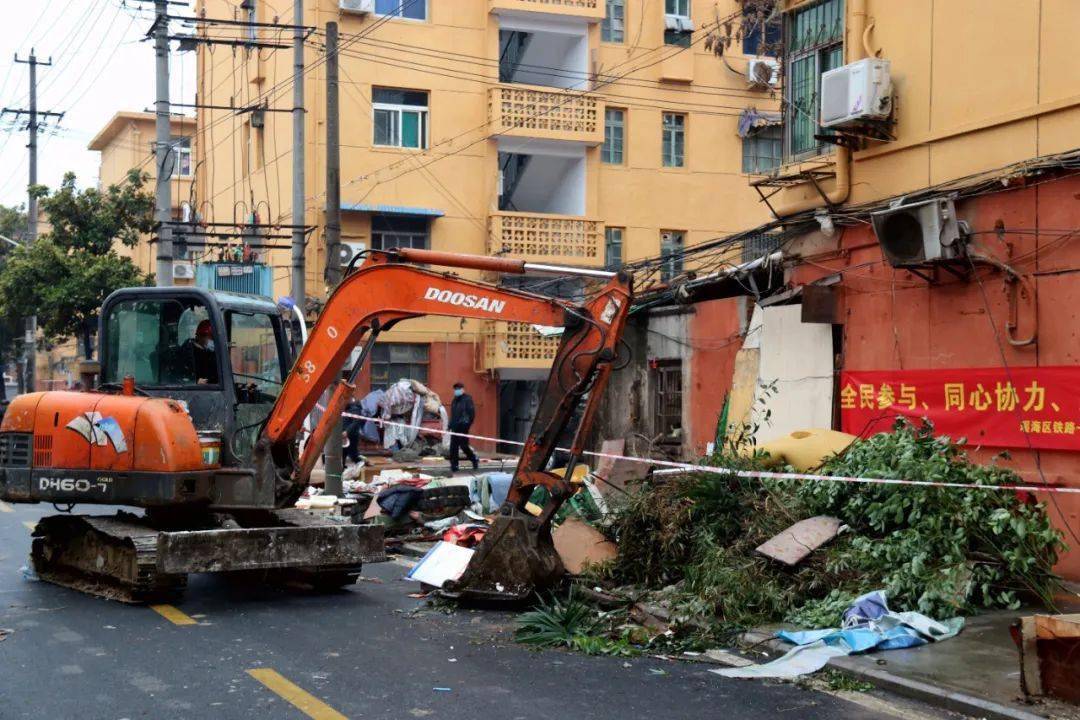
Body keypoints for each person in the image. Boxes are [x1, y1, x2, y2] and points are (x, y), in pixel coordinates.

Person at [448, 381, 478, 473]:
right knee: (453, 447)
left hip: (463, 427)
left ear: (462, 389)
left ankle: (474, 459)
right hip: (455, 427)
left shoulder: (467, 399)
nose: (456, 390)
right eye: (455, 389)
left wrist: (467, 424)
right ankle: (454, 466)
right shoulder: (454, 401)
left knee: (464, 446)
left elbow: (471, 413)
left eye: (458, 389)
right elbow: (453, 415)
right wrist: (450, 425)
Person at [183, 319, 219, 384]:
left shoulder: (210, 353)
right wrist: (196, 381)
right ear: (200, 336)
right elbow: (181, 376)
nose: (213, 341)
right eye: (211, 338)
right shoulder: (188, 352)